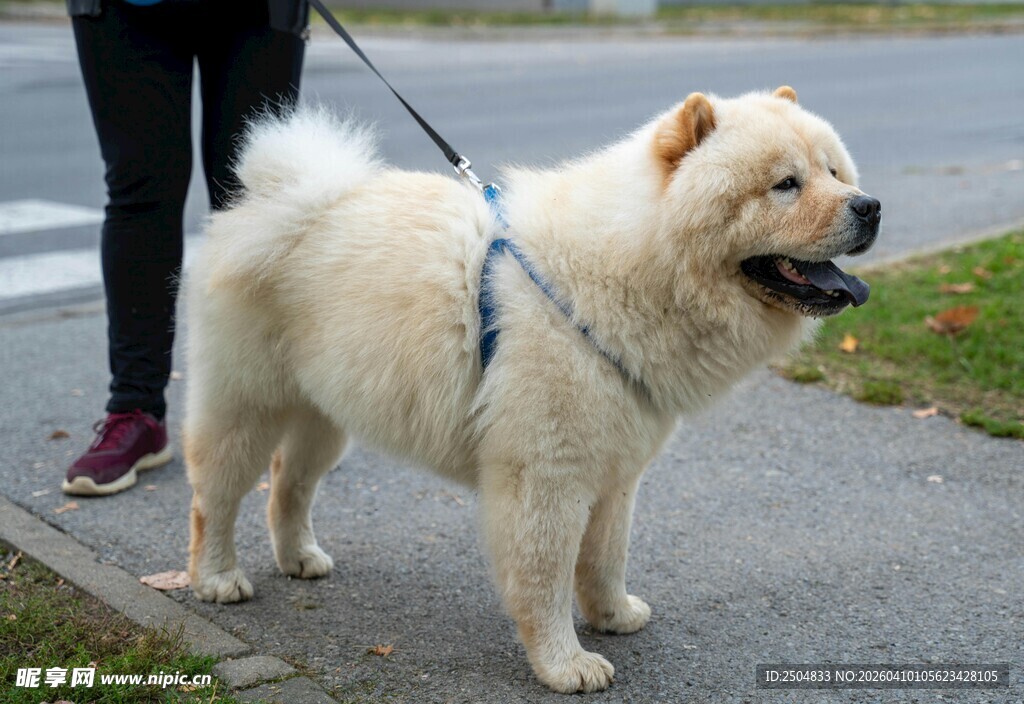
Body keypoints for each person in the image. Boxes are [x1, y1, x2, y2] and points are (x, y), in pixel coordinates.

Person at [62, 0, 308, 496]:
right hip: (125, 11)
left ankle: (267, 410)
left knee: (254, 199)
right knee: (139, 196)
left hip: (257, 13)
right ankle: (136, 411)